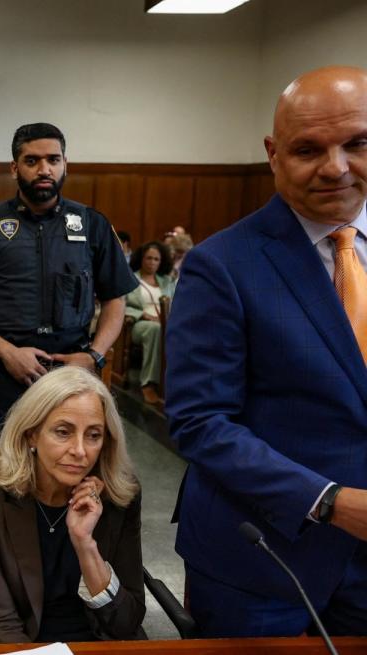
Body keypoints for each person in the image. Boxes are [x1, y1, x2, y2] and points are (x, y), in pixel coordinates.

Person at [166, 65, 367, 637]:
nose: (336, 167)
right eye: (309, 149)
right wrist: (330, 501)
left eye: (357, 144)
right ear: (274, 154)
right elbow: (201, 422)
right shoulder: (222, 264)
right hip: (261, 560)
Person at [0, 123, 136, 457]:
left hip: (73, 368)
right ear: (15, 168)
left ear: (64, 164)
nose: (44, 169)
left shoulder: (92, 224)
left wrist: (93, 355)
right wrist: (7, 352)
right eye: (32, 161)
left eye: (53, 160)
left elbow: (116, 299)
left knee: (74, 466)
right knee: (4, 470)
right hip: (6, 370)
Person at [0, 366, 144, 642]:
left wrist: (85, 544)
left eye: (93, 435)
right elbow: (1, 625)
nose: (80, 451)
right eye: (63, 432)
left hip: (95, 641)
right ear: (32, 434)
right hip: (17, 641)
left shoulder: (119, 497)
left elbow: (126, 623)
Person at [124, 241, 174, 405]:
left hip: (167, 321)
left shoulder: (166, 281)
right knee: (155, 329)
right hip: (140, 324)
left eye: (156, 259)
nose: (152, 262)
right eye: (149, 258)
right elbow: (120, 305)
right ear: (141, 259)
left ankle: (175, 384)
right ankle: (148, 384)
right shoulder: (130, 279)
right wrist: (142, 314)